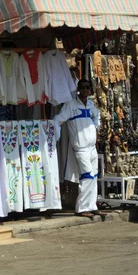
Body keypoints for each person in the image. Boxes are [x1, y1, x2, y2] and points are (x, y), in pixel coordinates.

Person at [54, 79, 102, 218]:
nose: (86, 90)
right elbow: (58, 119)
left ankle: (92, 205)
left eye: (88, 88)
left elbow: (96, 115)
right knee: (86, 176)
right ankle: (81, 208)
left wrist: (95, 127)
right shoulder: (71, 105)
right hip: (80, 148)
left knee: (93, 177)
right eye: (83, 88)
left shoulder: (90, 105)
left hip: (92, 147)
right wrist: (56, 135)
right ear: (78, 89)